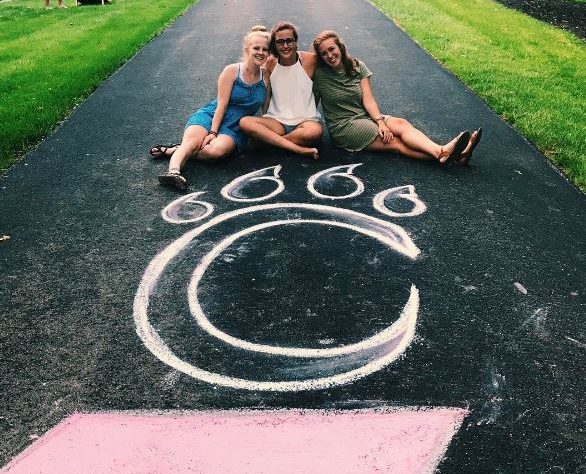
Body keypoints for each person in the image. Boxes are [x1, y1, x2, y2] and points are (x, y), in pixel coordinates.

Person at [312, 30, 482, 165]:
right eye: (324, 53)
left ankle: (446, 154)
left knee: (401, 124)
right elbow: (310, 105)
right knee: (394, 142)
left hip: (365, 115)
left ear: (340, 47)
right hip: (344, 127)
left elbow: (368, 100)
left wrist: (380, 122)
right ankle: (445, 153)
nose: (329, 55)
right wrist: (307, 135)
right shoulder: (319, 76)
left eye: (332, 49)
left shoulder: (357, 66)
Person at [151, 26, 271, 190]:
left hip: (235, 127)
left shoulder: (266, 77)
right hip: (212, 115)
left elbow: (266, 109)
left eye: (265, 49)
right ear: (247, 49)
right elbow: (222, 105)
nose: (261, 52)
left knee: (216, 152)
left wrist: (265, 133)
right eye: (256, 48)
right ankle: (173, 173)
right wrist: (213, 132)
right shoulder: (232, 71)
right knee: (193, 142)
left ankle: (175, 150)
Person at [239, 21, 322, 160]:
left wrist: (354, 64)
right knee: (245, 122)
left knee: (315, 132)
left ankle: (271, 141)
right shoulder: (270, 63)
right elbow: (267, 93)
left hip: (305, 121)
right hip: (277, 122)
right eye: (280, 42)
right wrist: (264, 116)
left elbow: (333, 58)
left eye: (289, 41)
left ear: (296, 42)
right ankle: (298, 148)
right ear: (275, 44)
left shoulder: (310, 60)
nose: (285, 46)